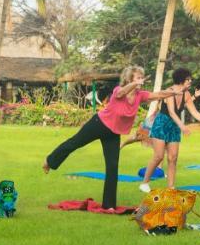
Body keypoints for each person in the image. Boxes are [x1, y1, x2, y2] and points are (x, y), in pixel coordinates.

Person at [43, 65, 177, 210]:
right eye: (138, 77)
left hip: (113, 133)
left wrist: (174, 92)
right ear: (129, 79)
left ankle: (109, 205)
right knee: (74, 143)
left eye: (141, 78)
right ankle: (50, 161)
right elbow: (123, 92)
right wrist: (134, 84)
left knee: (112, 167)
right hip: (99, 124)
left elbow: (157, 95)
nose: (141, 81)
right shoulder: (118, 90)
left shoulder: (140, 95)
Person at [140, 68, 200, 193]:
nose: (190, 81)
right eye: (188, 79)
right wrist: (183, 126)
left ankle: (171, 188)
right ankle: (145, 183)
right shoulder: (170, 92)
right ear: (182, 80)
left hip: (174, 126)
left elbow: (194, 112)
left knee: (173, 158)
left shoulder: (187, 94)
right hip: (161, 124)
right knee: (158, 156)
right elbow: (172, 113)